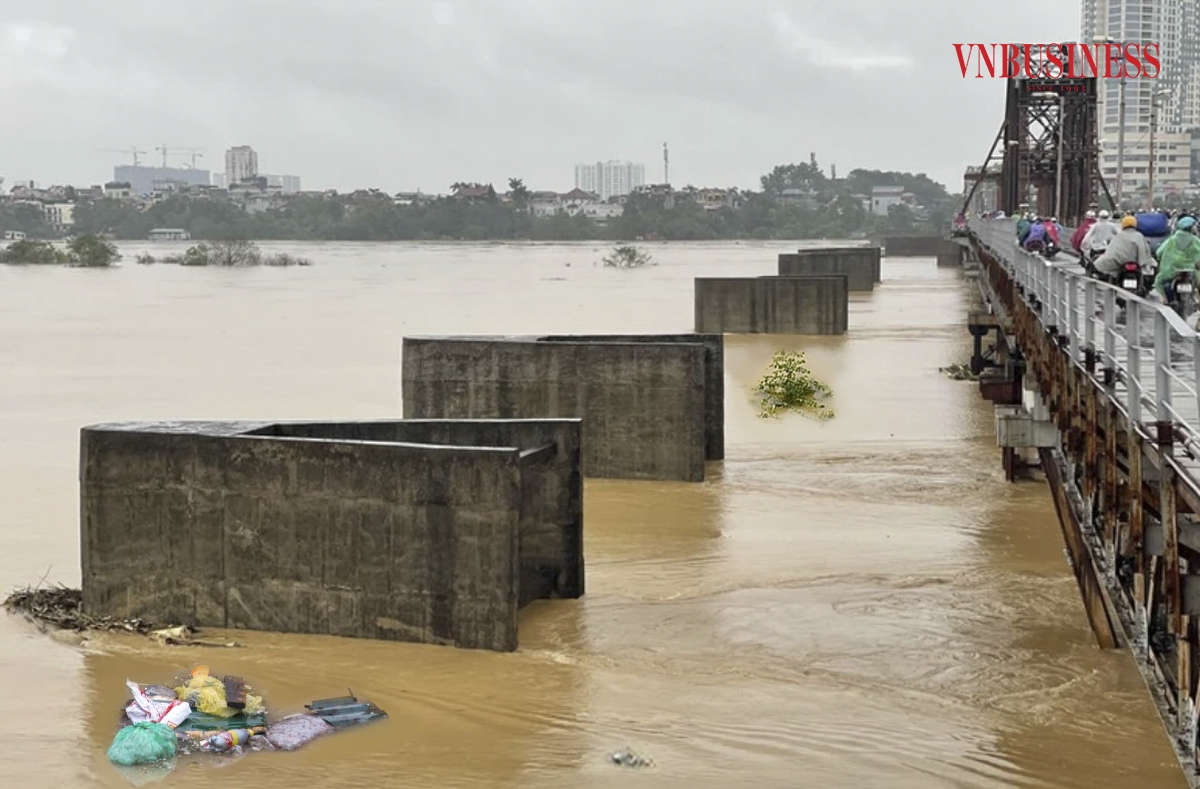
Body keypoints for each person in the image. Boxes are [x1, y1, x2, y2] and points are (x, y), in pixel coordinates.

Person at [1151, 215, 1200, 300]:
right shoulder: (1195, 240)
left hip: (1170, 271)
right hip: (1191, 271)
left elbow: (1159, 252)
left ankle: (1165, 299)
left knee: (1159, 283)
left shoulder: (1171, 240)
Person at [1092, 215, 1154, 281]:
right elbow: (1145, 253)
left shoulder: (1118, 236)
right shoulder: (1140, 236)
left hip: (1119, 264)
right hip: (1136, 266)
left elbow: (1110, 253)